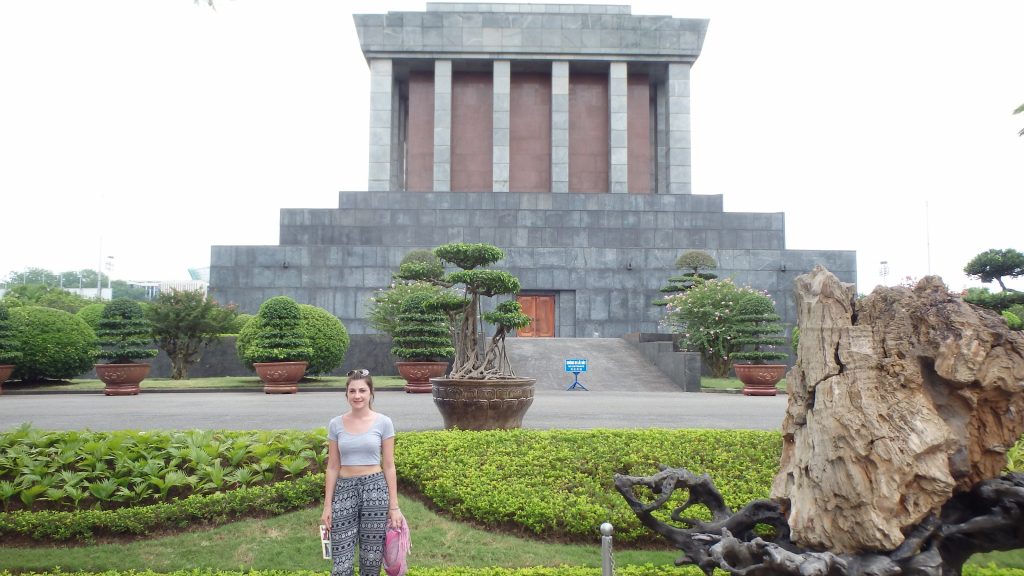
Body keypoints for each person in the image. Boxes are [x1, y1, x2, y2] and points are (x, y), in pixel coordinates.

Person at [322, 368, 404, 576]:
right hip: (344, 490)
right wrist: (327, 506)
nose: (357, 396)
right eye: (352, 391)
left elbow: (389, 465)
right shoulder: (335, 424)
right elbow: (332, 466)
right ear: (346, 394)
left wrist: (394, 507)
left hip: (375, 490)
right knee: (341, 562)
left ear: (371, 393)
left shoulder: (384, 422)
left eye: (362, 390)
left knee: (371, 559)